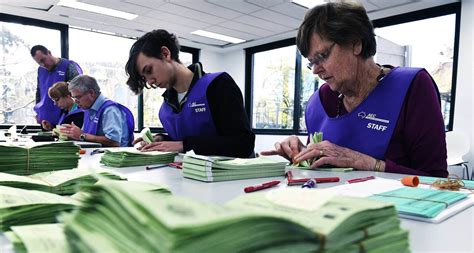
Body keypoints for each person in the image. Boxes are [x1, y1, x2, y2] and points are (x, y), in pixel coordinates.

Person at [261, 2, 448, 177]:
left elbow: (435, 179)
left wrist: (369, 163)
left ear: (356, 44)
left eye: (322, 56)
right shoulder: (319, 102)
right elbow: (319, 171)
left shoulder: (412, 87)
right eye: (312, 63)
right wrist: (301, 156)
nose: (316, 70)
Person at [125, 29, 255, 158]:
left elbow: (243, 144)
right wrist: (162, 139)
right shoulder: (166, 108)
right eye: (144, 78)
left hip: (232, 176)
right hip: (188, 175)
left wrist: (185, 145)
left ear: (165, 53)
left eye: (149, 70)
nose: (150, 81)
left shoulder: (218, 86)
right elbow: (188, 138)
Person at [60, 75, 135, 147]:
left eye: (78, 97)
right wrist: (71, 134)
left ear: (91, 93)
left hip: (115, 157)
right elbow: (85, 135)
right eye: (74, 98)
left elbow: (114, 142)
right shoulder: (88, 108)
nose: (76, 101)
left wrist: (81, 136)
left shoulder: (110, 110)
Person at [30, 45, 83, 128]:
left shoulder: (69, 66)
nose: (43, 64)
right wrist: (39, 112)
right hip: (47, 121)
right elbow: (39, 92)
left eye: (43, 60)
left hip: (66, 117)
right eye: (39, 63)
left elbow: (79, 92)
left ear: (49, 53)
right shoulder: (41, 70)